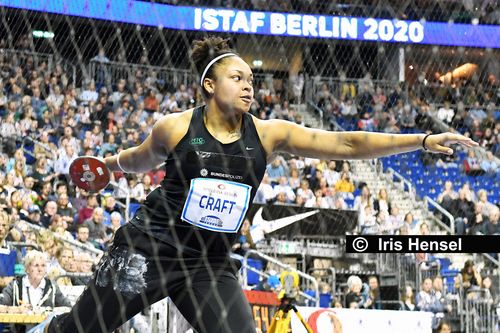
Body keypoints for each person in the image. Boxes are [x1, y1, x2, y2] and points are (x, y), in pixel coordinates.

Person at [42, 36, 477, 333]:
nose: (249, 86)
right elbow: (137, 160)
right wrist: (106, 167)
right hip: (147, 250)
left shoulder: (269, 134)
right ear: (209, 85)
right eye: (238, 78)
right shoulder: (174, 128)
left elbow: (346, 142)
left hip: (208, 264)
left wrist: (420, 139)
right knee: (82, 329)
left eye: (252, 80)